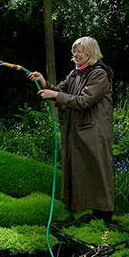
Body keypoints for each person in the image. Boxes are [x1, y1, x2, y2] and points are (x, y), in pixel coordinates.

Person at [27, 36, 114, 223]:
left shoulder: (99, 74)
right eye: (74, 51)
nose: (75, 54)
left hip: (94, 132)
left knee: (97, 172)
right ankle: (88, 215)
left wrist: (56, 94)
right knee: (80, 172)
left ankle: (105, 217)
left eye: (79, 51)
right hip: (77, 131)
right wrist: (43, 81)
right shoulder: (76, 74)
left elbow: (84, 101)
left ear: (90, 53)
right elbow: (57, 91)